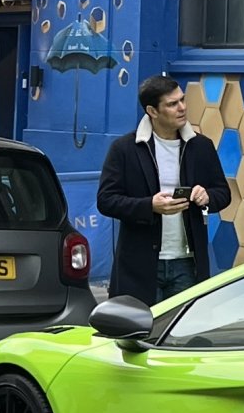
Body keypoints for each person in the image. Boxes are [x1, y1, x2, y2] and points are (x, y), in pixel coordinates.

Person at [97, 74, 231, 304]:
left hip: (188, 263)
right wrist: (150, 206)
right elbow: (106, 200)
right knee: (140, 332)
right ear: (152, 111)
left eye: (182, 100)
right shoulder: (125, 149)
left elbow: (223, 193)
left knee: (182, 335)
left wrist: (207, 197)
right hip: (140, 265)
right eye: (172, 104)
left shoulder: (201, 146)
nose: (182, 108)